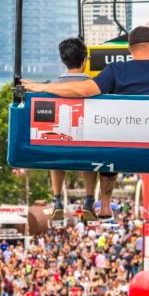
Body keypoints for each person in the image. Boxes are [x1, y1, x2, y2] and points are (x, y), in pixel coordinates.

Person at [22, 26, 149, 226]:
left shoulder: (116, 70)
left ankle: (104, 206)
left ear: (130, 50)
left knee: (108, 155)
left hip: (121, 152)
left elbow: (82, 91)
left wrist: (44, 87)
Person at [48, 38, 100, 224]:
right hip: (88, 146)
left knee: (55, 154)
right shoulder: (97, 88)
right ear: (85, 60)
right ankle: (88, 200)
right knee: (91, 153)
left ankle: (57, 200)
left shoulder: (51, 89)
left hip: (61, 145)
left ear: (63, 61)